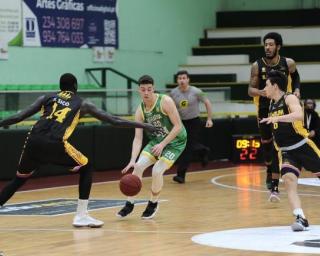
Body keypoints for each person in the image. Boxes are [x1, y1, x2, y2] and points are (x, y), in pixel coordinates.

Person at [0, 73, 157, 228]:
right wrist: (144, 125)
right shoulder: (82, 104)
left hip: (32, 142)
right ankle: (81, 216)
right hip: (55, 143)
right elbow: (114, 121)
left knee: (18, 180)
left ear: (60, 87)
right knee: (86, 167)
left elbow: (18, 117)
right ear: (76, 86)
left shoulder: (46, 97)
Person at [117, 75, 187, 219]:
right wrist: (132, 159)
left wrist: (163, 144)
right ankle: (129, 204)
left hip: (175, 142)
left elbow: (178, 126)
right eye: (143, 90)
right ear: (139, 91)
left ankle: (153, 203)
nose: (146, 92)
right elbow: (138, 137)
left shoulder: (165, 101)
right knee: (138, 166)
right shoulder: (140, 111)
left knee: (157, 170)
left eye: (149, 89)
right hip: (156, 141)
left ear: (153, 89)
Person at [260, 70, 320, 231]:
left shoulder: (289, 97)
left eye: (266, 85)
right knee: (288, 180)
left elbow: (299, 115)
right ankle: (301, 218)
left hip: (303, 146)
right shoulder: (271, 103)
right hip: (286, 151)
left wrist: (277, 118)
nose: (264, 88)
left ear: (275, 85)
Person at [248, 32, 301, 201]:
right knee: (267, 144)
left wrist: (297, 89)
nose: (268, 48)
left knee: (279, 143)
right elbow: (250, 90)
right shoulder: (257, 65)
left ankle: (275, 180)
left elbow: (296, 76)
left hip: (282, 106)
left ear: (278, 46)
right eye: (266, 45)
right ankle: (269, 169)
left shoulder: (289, 63)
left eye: (271, 45)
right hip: (264, 107)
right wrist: (261, 92)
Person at [170, 70, 213, 184]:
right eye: (179, 78)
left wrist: (209, 119)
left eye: (184, 78)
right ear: (177, 80)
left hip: (194, 122)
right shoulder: (173, 93)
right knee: (184, 145)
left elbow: (207, 102)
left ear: (188, 79)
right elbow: (170, 108)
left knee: (187, 148)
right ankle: (203, 151)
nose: (182, 80)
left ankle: (181, 175)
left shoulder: (197, 91)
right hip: (180, 122)